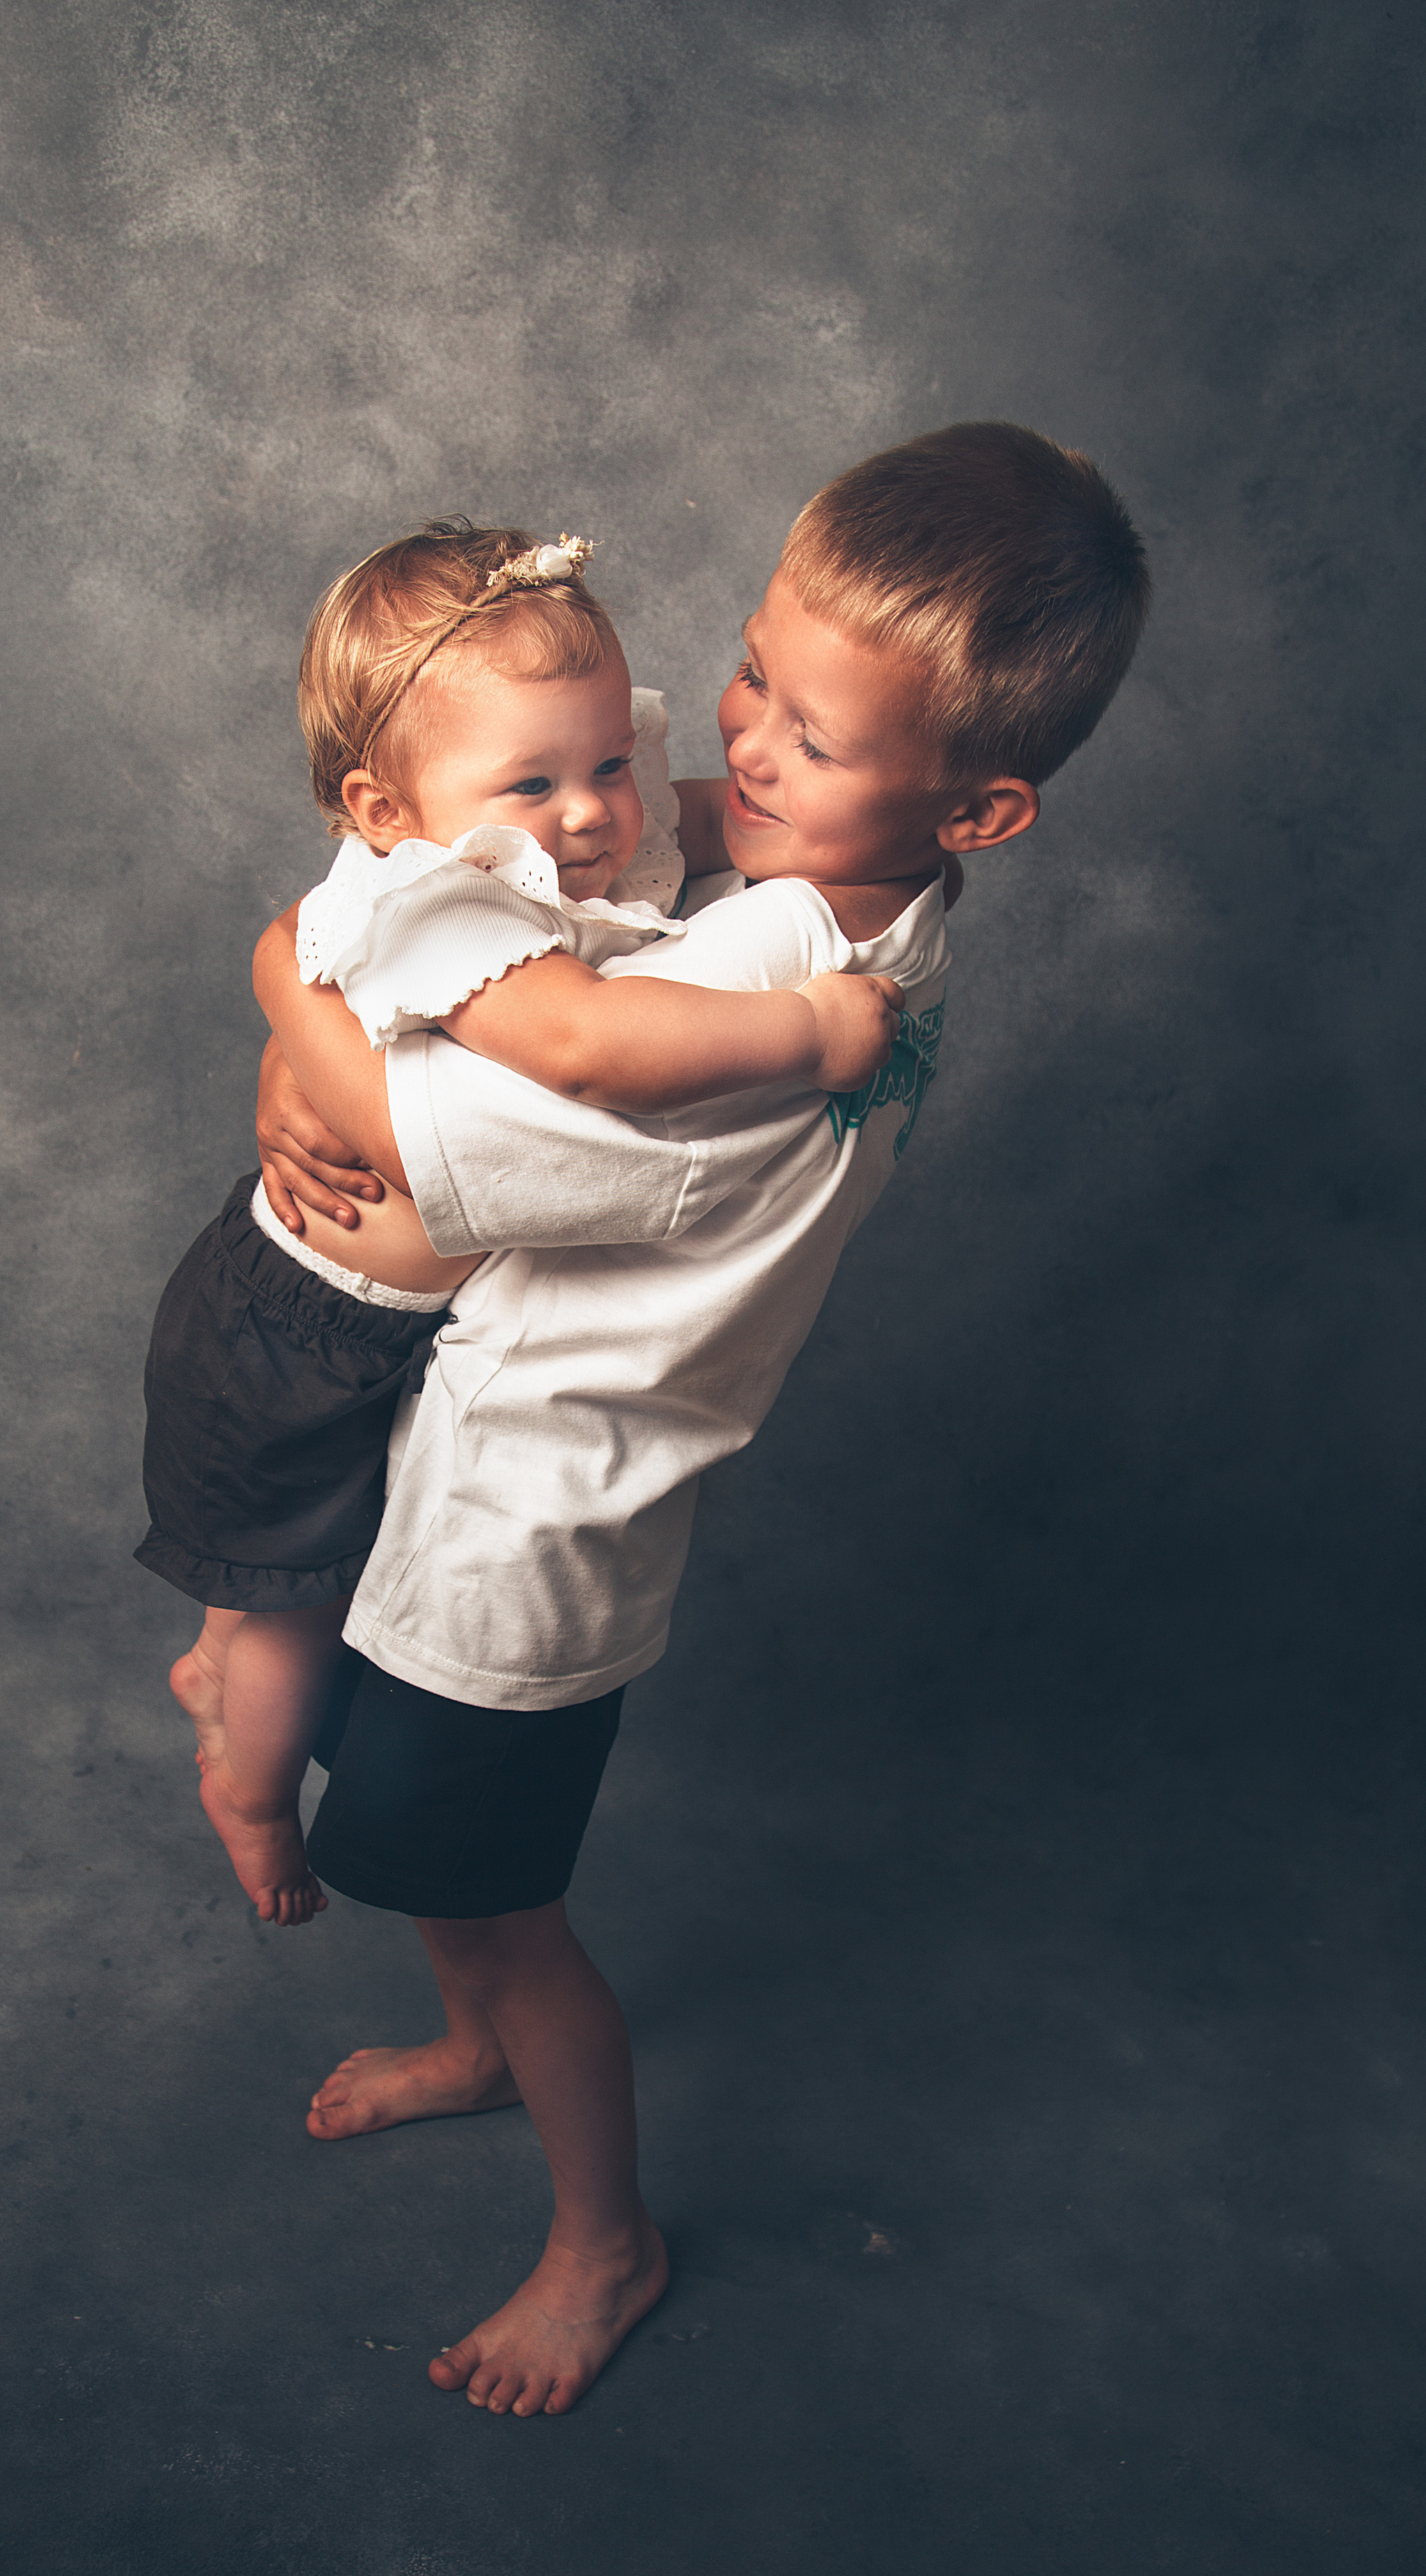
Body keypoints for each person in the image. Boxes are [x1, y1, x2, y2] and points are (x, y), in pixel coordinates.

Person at [251, 422, 1152, 2419]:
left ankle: (604, 2238)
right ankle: (469, 2042)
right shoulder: (820, 871)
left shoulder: (756, 998)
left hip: (527, 1542)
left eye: (810, 735)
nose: (740, 743)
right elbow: (529, 852)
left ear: (982, 808)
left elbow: (389, 1155)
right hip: (481, 1470)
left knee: (500, 1896)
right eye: (754, 668)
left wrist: (277, 987)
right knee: (421, 1851)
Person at [135, 521, 905, 1927]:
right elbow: (592, 1042)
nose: (591, 818)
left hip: (387, 1333)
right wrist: (803, 1029)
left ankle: (224, 1645)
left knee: (283, 1585)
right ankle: (243, 1798)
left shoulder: (548, 821)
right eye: (534, 785)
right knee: (293, 1604)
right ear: (386, 811)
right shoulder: (446, 899)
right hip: (292, 1329)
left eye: (606, 760)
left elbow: (710, 818)